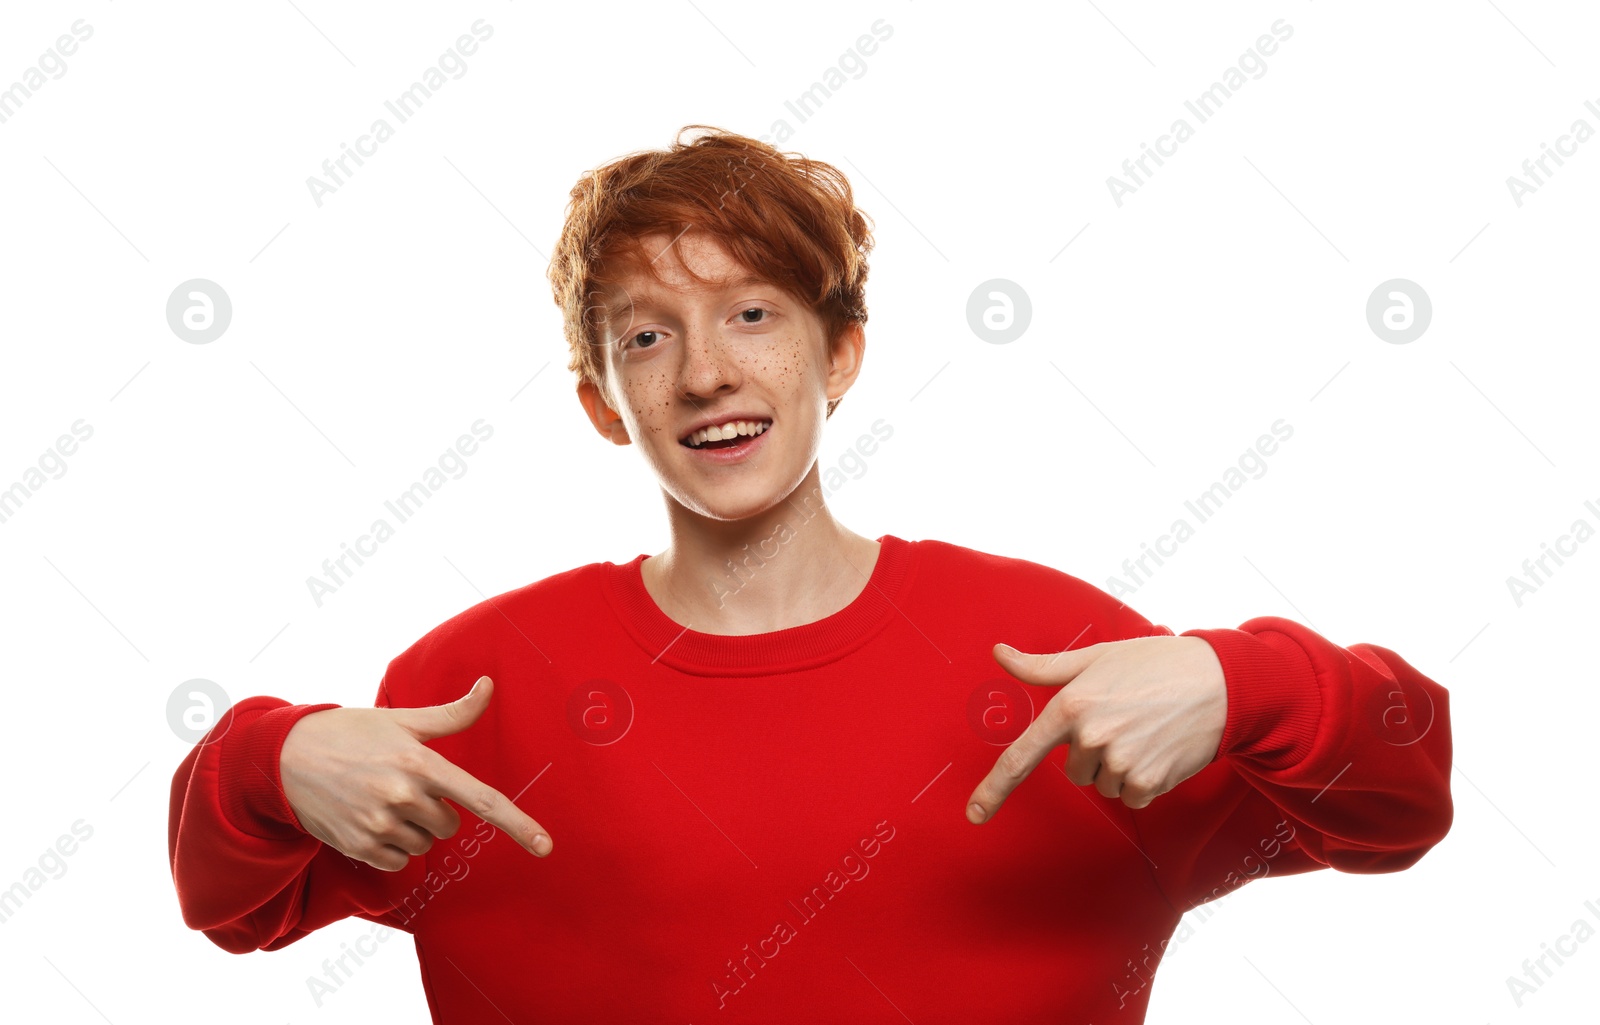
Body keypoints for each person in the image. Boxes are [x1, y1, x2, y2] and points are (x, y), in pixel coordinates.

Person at [167, 125, 1453, 1023]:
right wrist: (266, 760)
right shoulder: (479, 683)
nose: (707, 372)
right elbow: (230, 903)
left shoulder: (1060, 653)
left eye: (753, 313)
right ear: (602, 401)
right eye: (647, 334)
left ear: (839, 356)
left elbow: (1405, 799)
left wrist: (1246, 681)